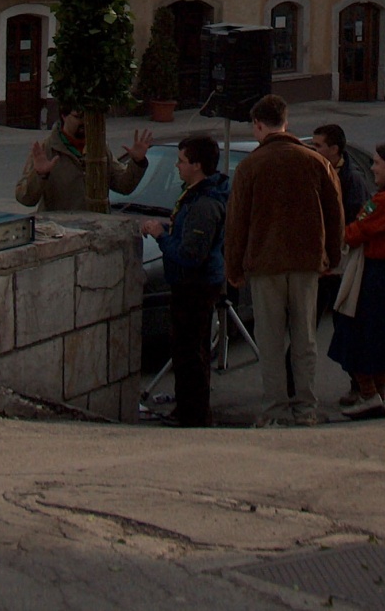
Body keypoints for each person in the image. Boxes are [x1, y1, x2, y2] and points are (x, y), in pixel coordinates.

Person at [224, 94, 343, 426]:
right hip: (306, 263)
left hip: (264, 264)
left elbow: (237, 223)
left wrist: (232, 268)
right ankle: (306, 408)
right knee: (304, 338)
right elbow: (335, 213)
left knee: (271, 340)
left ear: (259, 125)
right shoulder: (315, 161)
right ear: (286, 123)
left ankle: (275, 410)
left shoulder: (250, 166)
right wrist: (331, 256)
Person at [139, 135, 229, 427]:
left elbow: (191, 254)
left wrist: (161, 236)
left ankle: (194, 416)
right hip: (193, 283)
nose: (177, 166)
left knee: (190, 355)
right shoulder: (196, 195)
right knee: (188, 353)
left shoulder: (204, 203)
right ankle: (189, 410)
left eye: (181, 161)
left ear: (197, 165)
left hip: (195, 285)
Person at [328, 140, 385, 419]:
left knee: (357, 335)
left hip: (373, 275)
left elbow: (355, 232)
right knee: (383, 339)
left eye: (378, 162)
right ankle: (378, 395)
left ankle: (368, 394)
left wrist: (340, 229)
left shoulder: (384, 201)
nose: (373, 167)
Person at [310, 123, 370, 407]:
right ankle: (291, 386)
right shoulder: (314, 170)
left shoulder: (351, 179)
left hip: (340, 268)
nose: (314, 149)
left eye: (319, 145)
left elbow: (356, 222)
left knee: (345, 328)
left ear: (335, 149)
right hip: (317, 266)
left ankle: (360, 385)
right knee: (304, 326)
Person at [14, 107, 153, 213]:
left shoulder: (99, 148)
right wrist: (40, 175)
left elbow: (124, 185)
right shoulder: (46, 149)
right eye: (78, 116)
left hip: (97, 231)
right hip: (62, 235)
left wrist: (137, 162)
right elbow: (25, 198)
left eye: (88, 116)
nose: (84, 122)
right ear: (64, 116)